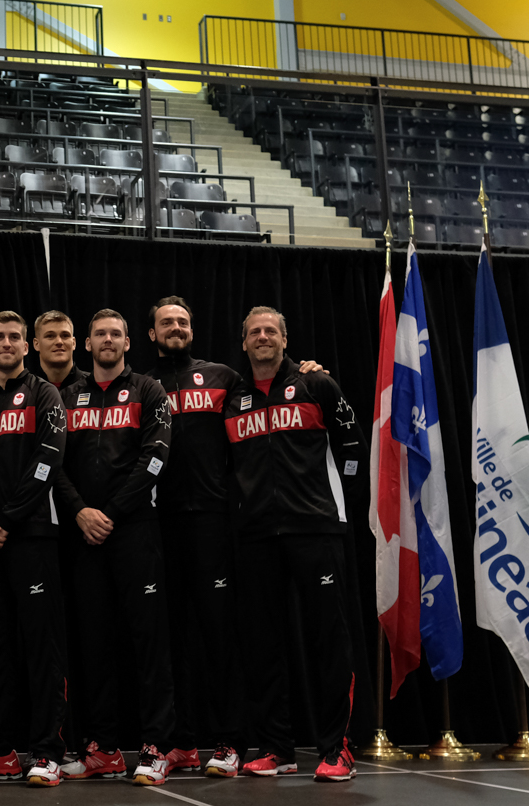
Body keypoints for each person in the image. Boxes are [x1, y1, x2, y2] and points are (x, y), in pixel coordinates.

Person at [223, 306, 364, 783]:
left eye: (271, 331)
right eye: (254, 332)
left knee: (329, 641)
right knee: (263, 646)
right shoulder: (232, 397)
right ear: (243, 343)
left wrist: (331, 504)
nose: (263, 337)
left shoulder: (316, 384)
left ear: (285, 340)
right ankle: (276, 748)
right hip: (257, 536)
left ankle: (336, 748)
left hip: (316, 531)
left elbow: (353, 451)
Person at [54, 309, 175, 787]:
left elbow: (156, 456)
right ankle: (102, 748)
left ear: (128, 343)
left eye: (115, 334)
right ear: (88, 343)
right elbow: (51, 463)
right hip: (83, 534)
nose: (107, 340)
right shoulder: (64, 397)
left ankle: (156, 745)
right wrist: (82, 511)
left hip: (134, 531)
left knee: (149, 643)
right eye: (100, 333)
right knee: (94, 643)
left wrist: (111, 514)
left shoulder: (149, 390)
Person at [0, 311, 69, 788]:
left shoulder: (45, 394)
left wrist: (3, 520)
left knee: (40, 649)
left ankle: (47, 750)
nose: (7, 344)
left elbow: (47, 461)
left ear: (27, 346)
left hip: (32, 538)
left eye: (15, 337)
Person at [145, 296, 244, 777]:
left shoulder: (224, 376)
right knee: (170, 639)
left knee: (218, 634)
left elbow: (266, 398)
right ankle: (179, 742)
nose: (176, 328)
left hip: (212, 520)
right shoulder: (141, 386)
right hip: (158, 524)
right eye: (167, 323)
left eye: (183, 321)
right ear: (151, 334)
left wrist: (307, 369)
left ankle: (227, 740)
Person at [32, 310, 85, 390]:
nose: (59, 342)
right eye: (50, 336)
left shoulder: (94, 387)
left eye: (65, 336)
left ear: (74, 343)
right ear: (36, 344)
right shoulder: (24, 391)